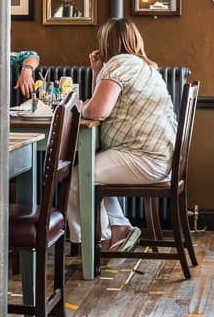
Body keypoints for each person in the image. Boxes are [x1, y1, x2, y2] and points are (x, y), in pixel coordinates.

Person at [68, 19, 176, 251]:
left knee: (77, 180)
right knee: (91, 172)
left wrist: (81, 106)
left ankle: (102, 242)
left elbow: (97, 110)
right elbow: (105, 100)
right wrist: (97, 72)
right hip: (160, 157)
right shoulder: (144, 66)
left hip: (145, 158)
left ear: (107, 43)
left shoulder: (119, 64)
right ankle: (118, 229)